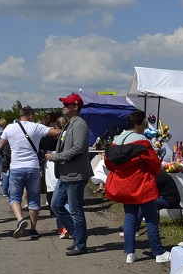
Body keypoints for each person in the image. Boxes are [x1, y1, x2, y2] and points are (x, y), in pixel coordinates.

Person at [105, 110, 171, 264]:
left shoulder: (117, 140)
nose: (145, 127)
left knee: (130, 217)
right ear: (137, 124)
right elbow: (154, 164)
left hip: (124, 185)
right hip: (142, 184)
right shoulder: (143, 141)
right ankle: (158, 252)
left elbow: (109, 163)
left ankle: (130, 253)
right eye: (143, 124)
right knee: (151, 219)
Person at [0, 106, 62, 240]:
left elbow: (0, 145)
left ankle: (21, 220)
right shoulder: (36, 127)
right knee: (34, 199)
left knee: (14, 198)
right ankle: (33, 229)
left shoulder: (9, 128)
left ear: (20, 115)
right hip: (33, 167)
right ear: (32, 115)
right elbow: (56, 132)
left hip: (16, 167)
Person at [52, 93, 92, 256]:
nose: (63, 107)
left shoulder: (79, 125)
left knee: (75, 210)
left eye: (67, 105)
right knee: (56, 205)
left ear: (75, 107)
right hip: (65, 173)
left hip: (75, 174)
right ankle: (77, 236)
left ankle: (81, 243)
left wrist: (57, 157)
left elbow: (78, 149)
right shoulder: (71, 124)